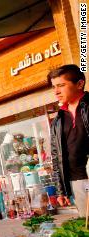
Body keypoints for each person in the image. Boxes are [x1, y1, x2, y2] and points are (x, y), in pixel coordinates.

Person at [48, 64, 89, 217]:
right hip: (77, 182)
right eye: (54, 87)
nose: (56, 91)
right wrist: (61, 190)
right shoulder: (58, 120)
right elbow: (56, 157)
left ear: (79, 84)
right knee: (86, 227)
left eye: (61, 85)